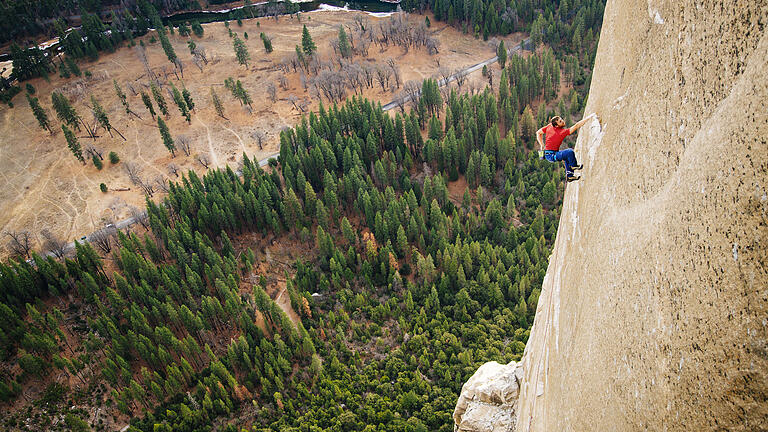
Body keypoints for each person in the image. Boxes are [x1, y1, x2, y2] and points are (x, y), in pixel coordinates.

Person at [536, 114, 594, 182]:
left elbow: (538, 133)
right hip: (551, 156)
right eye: (560, 121)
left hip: (550, 153)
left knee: (566, 157)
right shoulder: (561, 132)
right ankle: (573, 165)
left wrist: (542, 145)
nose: (563, 121)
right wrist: (589, 117)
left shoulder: (550, 126)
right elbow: (576, 126)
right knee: (569, 152)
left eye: (561, 119)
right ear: (556, 126)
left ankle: (570, 176)